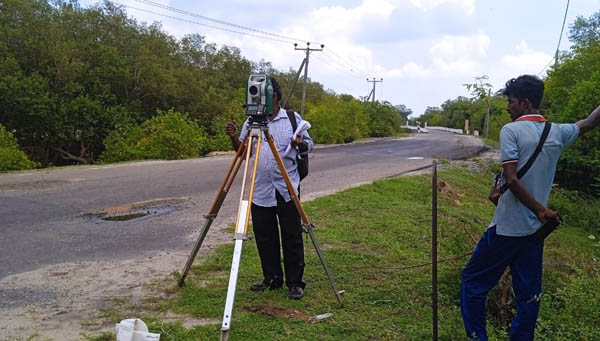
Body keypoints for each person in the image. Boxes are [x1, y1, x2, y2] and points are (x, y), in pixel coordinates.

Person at [460, 74, 600, 340]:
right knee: (529, 297)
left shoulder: (510, 131)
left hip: (506, 228)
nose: (507, 107)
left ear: (525, 103)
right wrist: (539, 213)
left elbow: (512, 179)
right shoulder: (557, 132)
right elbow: (591, 121)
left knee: (472, 282)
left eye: (511, 101)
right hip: (535, 233)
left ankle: (477, 337)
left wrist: (539, 209)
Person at [225, 76, 313, 300]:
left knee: (291, 235)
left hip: (286, 187)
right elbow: (244, 154)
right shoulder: (251, 123)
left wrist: (299, 143)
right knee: (265, 236)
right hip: (260, 188)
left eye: (264, 93)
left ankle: (295, 282)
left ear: (275, 96)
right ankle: (272, 278)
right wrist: (235, 137)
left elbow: (309, 145)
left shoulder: (292, 119)